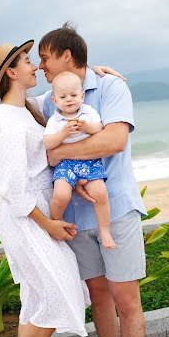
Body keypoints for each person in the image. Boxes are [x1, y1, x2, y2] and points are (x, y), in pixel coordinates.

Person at [0, 41, 122, 337]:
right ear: (12, 73)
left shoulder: (26, 111)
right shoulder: (3, 120)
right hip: (26, 219)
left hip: (41, 214)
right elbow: (11, 186)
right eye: (29, 61)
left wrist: (96, 72)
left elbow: (65, 91)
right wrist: (49, 225)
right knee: (64, 292)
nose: (35, 66)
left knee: (36, 299)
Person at [39, 23, 153, 337]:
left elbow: (113, 142)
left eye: (45, 58)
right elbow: (15, 104)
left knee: (127, 301)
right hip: (76, 219)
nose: (40, 66)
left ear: (66, 55)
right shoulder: (49, 97)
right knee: (99, 299)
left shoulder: (110, 88)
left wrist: (57, 153)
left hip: (115, 210)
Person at [43, 71, 115, 249]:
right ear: (55, 101)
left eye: (74, 95)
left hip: (89, 161)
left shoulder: (88, 112)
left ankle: (104, 230)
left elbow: (99, 128)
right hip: (65, 163)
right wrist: (63, 133)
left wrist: (87, 127)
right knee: (61, 195)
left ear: (82, 96)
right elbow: (47, 142)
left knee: (100, 192)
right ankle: (58, 222)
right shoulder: (55, 120)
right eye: (63, 96)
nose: (69, 100)